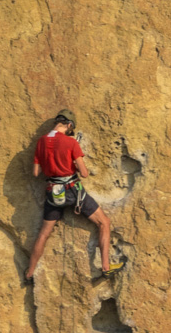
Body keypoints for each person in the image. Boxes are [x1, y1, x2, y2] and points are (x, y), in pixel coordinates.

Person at [23, 110, 124, 283]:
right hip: (72, 190)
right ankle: (106, 267)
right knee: (104, 222)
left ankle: (29, 273)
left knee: (43, 234)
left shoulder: (41, 142)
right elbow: (84, 173)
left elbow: (36, 172)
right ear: (69, 125)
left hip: (52, 192)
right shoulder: (70, 143)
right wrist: (72, 162)